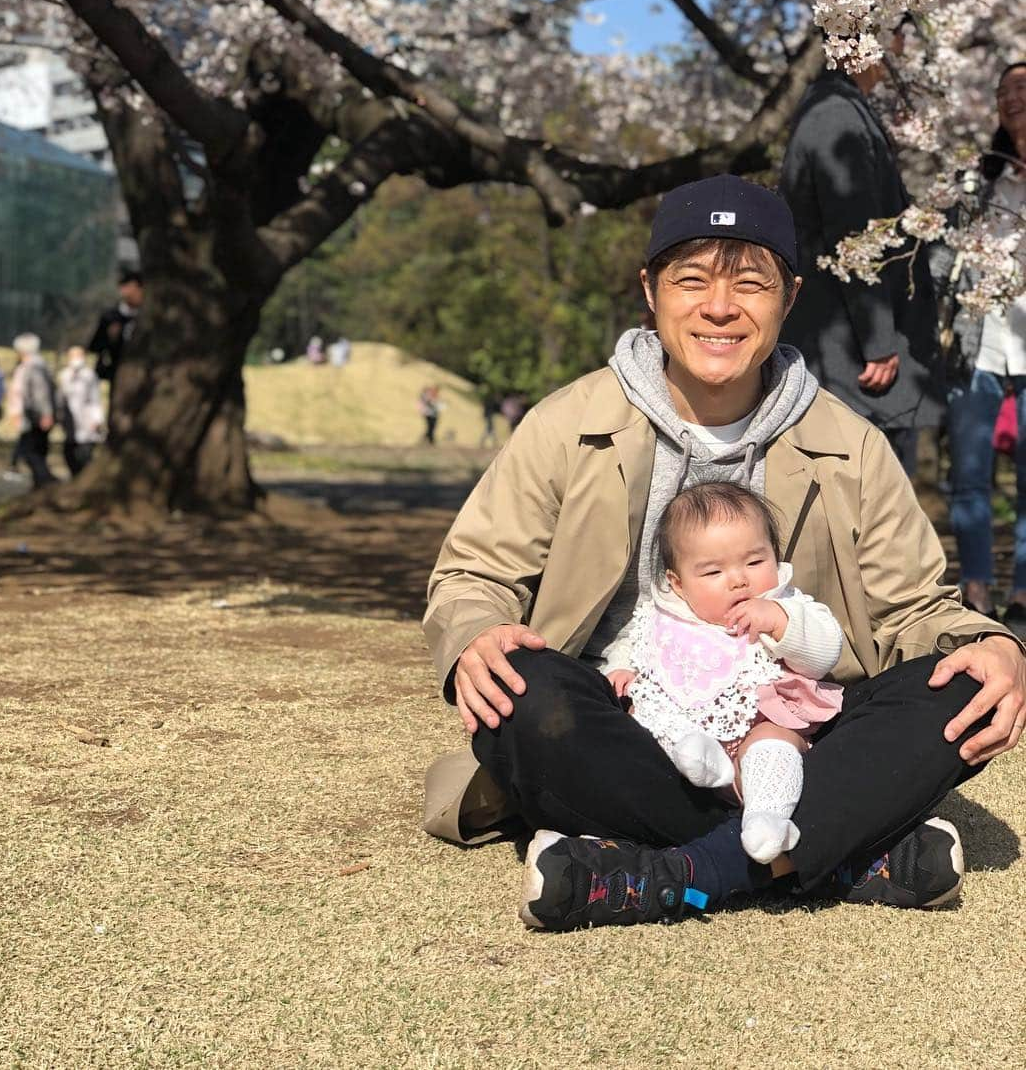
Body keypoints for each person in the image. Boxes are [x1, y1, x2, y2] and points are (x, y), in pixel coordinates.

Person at [422, 175, 1026, 934]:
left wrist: (994, 644)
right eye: (692, 279)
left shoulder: (852, 443)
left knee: (952, 690)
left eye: (750, 282)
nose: (719, 307)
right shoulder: (568, 423)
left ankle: (670, 873)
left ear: (789, 296)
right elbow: (474, 573)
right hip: (635, 727)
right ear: (650, 289)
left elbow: (915, 607)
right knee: (522, 692)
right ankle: (833, 852)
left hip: (793, 731)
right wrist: (475, 629)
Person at [597, 483, 842, 869]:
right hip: (683, 746)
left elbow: (827, 651)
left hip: (756, 726)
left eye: (755, 562)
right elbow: (638, 641)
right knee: (637, 717)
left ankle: (767, 817)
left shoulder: (786, 602)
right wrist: (621, 667)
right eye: (713, 571)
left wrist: (781, 624)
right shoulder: (669, 610)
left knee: (776, 737)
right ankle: (692, 756)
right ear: (678, 582)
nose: (739, 579)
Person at [778, 42, 944, 476]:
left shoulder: (841, 108)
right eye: (895, 33)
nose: (902, 46)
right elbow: (855, 236)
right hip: (849, 357)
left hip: (846, 351)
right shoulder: (836, 114)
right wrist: (879, 341)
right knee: (873, 507)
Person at [938, 63, 1026, 634]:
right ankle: (975, 587)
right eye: (1006, 90)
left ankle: (1022, 591)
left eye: (1024, 87)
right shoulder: (979, 181)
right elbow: (943, 253)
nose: (1015, 97)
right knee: (970, 477)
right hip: (979, 351)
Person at [11, 333, 56, 488]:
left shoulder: (34, 367)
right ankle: (40, 482)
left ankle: (45, 481)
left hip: (34, 416)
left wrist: (46, 413)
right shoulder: (33, 366)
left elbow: (40, 392)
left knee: (31, 451)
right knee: (36, 450)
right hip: (33, 415)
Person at [56, 346, 104, 477]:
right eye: (73, 356)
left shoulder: (89, 375)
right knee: (69, 452)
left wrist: (97, 419)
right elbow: (61, 398)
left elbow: (95, 399)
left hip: (86, 420)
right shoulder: (64, 375)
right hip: (70, 420)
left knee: (85, 453)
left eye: (78, 356)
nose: (75, 359)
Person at [89, 270, 142, 384]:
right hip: (117, 375)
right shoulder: (110, 317)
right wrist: (111, 338)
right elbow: (95, 346)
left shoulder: (148, 317)